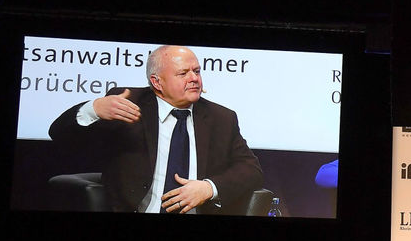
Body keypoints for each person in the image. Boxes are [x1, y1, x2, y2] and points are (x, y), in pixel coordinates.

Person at [48, 44, 263, 214]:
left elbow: (251, 169)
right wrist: (93, 109)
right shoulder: (127, 103)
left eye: (196, 71)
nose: (194, 78)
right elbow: (59, 135)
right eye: (183, 73)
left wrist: (209, 188)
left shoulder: (221, 118)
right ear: (157, 82)